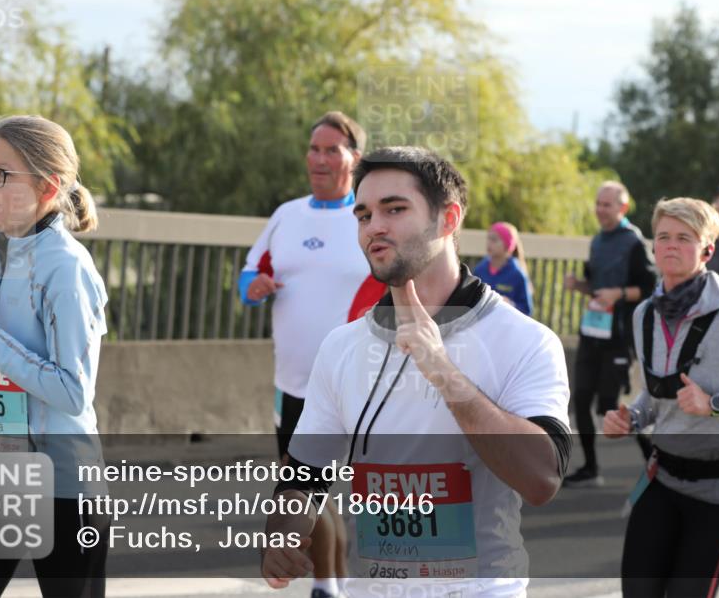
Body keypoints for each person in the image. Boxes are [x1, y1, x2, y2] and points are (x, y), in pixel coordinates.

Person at [259, 146, 572, 598]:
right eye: (364, 215)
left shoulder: (524, 340)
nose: (374, 226)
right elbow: (304, 478)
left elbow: (541, 479)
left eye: (395, 209)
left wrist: (439, 367)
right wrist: (282, 535)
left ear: (448, 219)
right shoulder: (341, 346)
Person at [0, 115, 110, 597]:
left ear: (48, 187)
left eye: (1, 174)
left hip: (65, 489)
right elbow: (25, 356)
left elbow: (72, 391)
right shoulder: (10, 250)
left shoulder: (67, 267)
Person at [603, 197, 719, 598]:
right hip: (664, 475)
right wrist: (632, 419)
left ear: (707, 250)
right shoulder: (644, 314)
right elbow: (655, 394)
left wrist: (715, 405)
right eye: (663, 236)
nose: (671, 245)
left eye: (684, 238)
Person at [239, 111, 385, 597]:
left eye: (331, 150)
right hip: (293, 383)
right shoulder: (287, 215)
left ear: (354, 158)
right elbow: (249, 272)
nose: (318, 159)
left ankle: (333, 584)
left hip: (356, 381)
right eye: (314, 149)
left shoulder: (368, 218)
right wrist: (253, 287)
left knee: (313, 488)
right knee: (309, 489)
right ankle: (331, 583)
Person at [563, 180, 656, 486]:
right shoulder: (598, 241)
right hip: (592, 332)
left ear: (623, 207)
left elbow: (650, 288)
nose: (600, 210)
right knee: (580, 400)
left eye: (607, 205)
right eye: (598, 204)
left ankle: (657, 464)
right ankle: (590, 468)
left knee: (611, 407)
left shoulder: (633, 243)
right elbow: (595, 288)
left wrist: (619, 294)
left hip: (619, 337)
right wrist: (579, 286)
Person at [472, 221, 533, 315]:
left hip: (507, 323)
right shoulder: (480, 270)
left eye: (494, 240)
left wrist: (511, 305)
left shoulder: (517, 275)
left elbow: (526, 310)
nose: (489, 243)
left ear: (507, 245)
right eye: (488, 238)